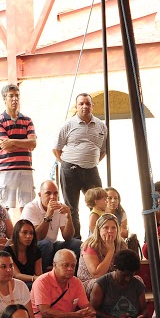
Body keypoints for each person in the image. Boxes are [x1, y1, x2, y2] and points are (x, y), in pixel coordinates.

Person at [53, 92, 107, 239]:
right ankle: (76, 240)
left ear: (92, 106)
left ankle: (98, 237)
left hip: (91, 170)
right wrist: (66, 164)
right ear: (76, 107)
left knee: (99, 203)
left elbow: (103, 151)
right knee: (72, 208)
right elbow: (56, 149)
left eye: (88, 103)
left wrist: (91, 161)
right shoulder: (68, 125)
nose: (85, 106)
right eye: (81, 104)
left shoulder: (101, 126)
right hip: (70, 170)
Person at [90, 249, 156, 318]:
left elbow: (144, 310)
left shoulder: (137, 285)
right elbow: (93, 311)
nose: (127, 279)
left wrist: (140, 317)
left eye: (131, 275)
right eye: (124, 275)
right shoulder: (102, 284)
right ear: (116, 268)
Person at [31, 249, 95, 318]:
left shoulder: (76, 282)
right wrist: (74, 315)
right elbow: (45, 313)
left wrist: (89, 314)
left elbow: (86, 306)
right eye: (66, 265)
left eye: (73, 266)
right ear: (54, 265)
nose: (70, 269)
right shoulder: (42, 281)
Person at [0, 83, 37, 217]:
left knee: (28, 206)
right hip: (7, 170)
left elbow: (33, 143)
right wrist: (24, 143)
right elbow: (6, 146)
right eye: (11, 96)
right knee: (4, 207)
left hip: (26, 169)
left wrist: (11, 141)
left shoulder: (27, 120)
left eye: (17, 96)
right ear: (4, 99)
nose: (14, 99)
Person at [22, 180, 82, 270]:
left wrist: (69, 218)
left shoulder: (60, 206)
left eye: (55, 193)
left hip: (53, 245)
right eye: (48, 193)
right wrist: (48, 216)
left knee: (76, 244)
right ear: (39, 195)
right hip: (33, 247)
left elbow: (67, 237)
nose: (52, 197)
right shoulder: (30, 208)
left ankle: (73, 276)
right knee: (46, 244)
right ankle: (42, 277)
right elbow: (37, 237)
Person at [78, 213, 126, 295]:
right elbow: (97, 274)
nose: (110, 231)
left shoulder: (121, 244)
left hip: (113, 279)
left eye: (113, 228)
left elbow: (126, 267)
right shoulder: (90, 245)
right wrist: (110, 251)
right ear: (99, 230)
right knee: (102, 282)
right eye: (106, 228)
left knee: (137, 280)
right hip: (91, 282)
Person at [5, 219, 43, 286]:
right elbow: (16, 275)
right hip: (14, 284)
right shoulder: (7, 251)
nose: (29, 236)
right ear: (17, 233)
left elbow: (39, 274)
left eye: (31, 233)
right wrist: (34, 278)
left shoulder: (35, 250)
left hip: (31, 282)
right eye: (24, 233)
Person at [104, 187, 140, 254]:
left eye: (116, 198)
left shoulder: (122, 214)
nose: (113, 201)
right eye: (109, 198)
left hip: (117, 244)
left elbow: (124, 233)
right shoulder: (99, 214)